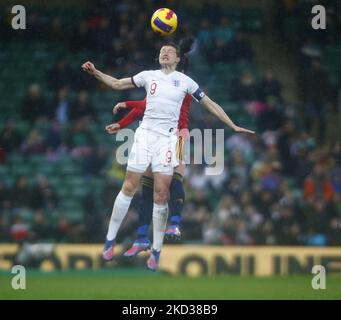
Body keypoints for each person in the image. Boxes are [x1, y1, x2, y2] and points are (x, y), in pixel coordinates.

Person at [81, 41, 254, 271]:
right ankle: (110, 240)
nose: (164, 52)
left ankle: (156, 250)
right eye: (162, 50)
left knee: (161, 193)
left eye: (169, 51)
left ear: (178, 59)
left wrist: (232, 125)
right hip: (145, 135)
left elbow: (211, 104)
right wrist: (96, 72)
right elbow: (116, 83)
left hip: (169, 139)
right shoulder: (147, 76)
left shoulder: (186, 82)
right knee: (129, 186)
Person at [105, 39, 194, 257]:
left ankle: (174, 223)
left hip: (178, 136)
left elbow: (143, 106)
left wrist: (126, 104)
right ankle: (143, 238)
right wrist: (123, 123)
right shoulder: (159, 83)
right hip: (158, 137)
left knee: (174, 179)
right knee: (149, 189)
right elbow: (146, 109)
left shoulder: (183, 85)